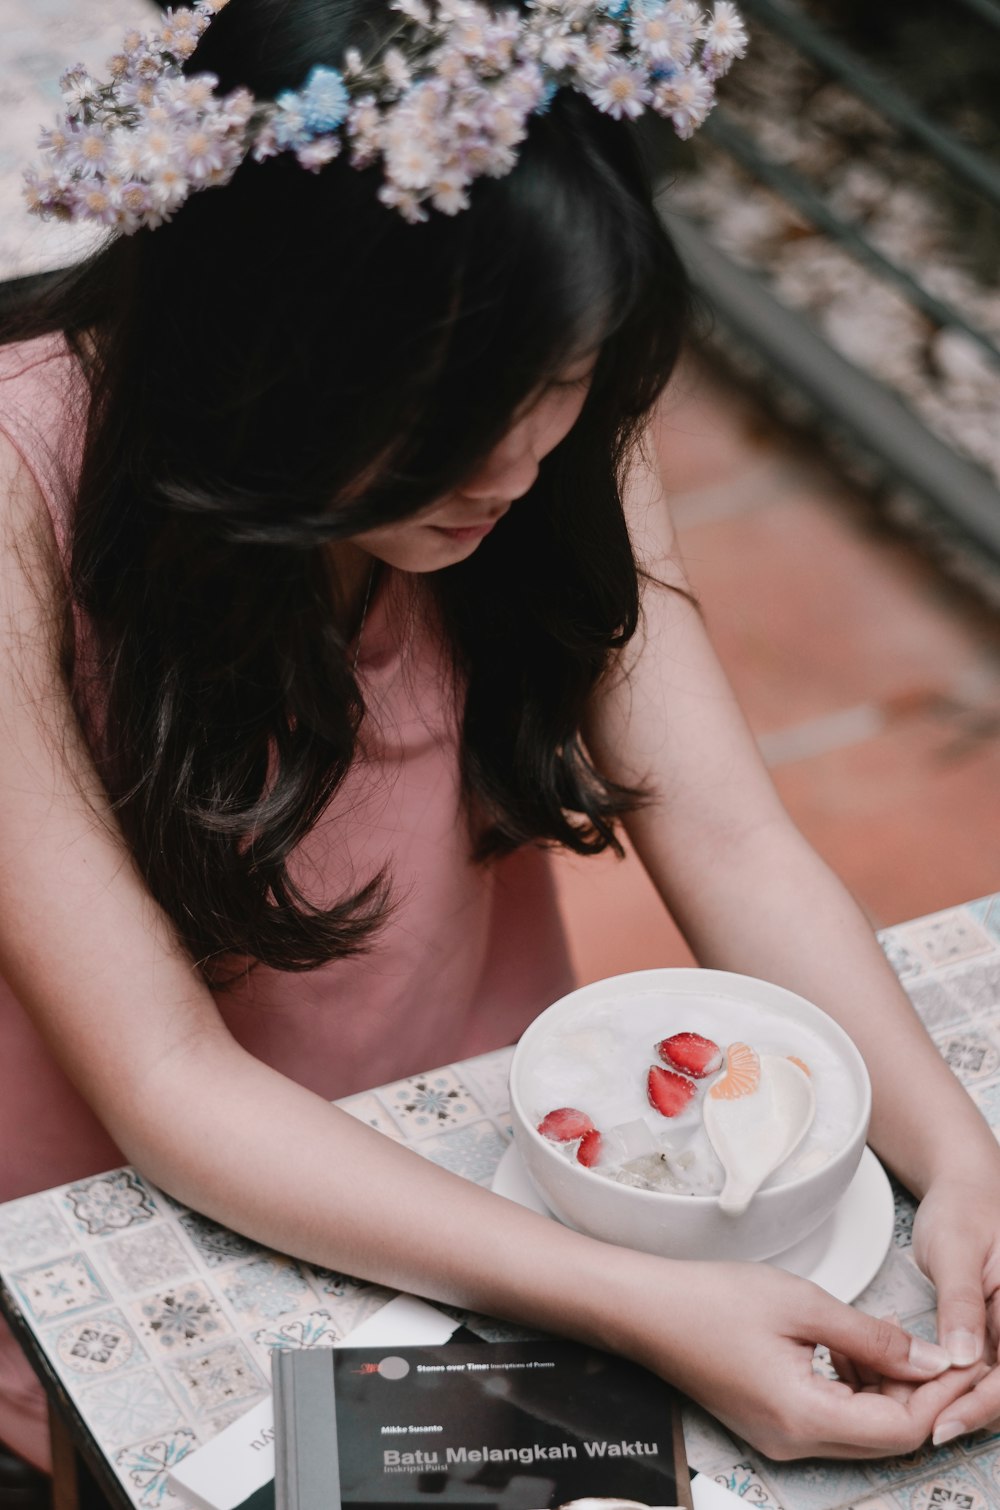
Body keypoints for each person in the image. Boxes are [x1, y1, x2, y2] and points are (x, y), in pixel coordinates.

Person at [1, 0, 999, 1481]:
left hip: (500, 1159)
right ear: (262, 360)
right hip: (150, 1215)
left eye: (558, 401)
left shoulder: (541, 403)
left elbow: (726, 828)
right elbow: (167, 1080)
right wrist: (653, 1310)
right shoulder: (24, 489)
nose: (515, 472)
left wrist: (961, 1158)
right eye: (450, 423)